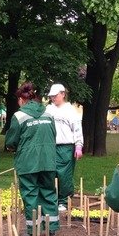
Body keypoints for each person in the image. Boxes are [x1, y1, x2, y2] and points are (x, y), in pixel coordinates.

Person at [4, 82, 60, 236]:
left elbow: (11, 141)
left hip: (28, 163)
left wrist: (12, 147)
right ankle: (51, 228)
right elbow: (53, 135)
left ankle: (34, 231)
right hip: (48, 161)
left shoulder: (19, 116)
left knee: (30, 194)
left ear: (22, 99)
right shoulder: (49, 115)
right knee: (48, 193)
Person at [44, 83, 84, 212]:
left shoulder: (70, 110)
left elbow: (77, 129)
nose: (53, 98)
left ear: (63, 94)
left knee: (64, 175)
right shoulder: (48, 110)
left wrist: (78, 146)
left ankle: (64, 201)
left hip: (66, 147)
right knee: (50, 173)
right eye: (51, 96)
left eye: (55, 96)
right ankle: (52, 199)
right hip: (50, 146)